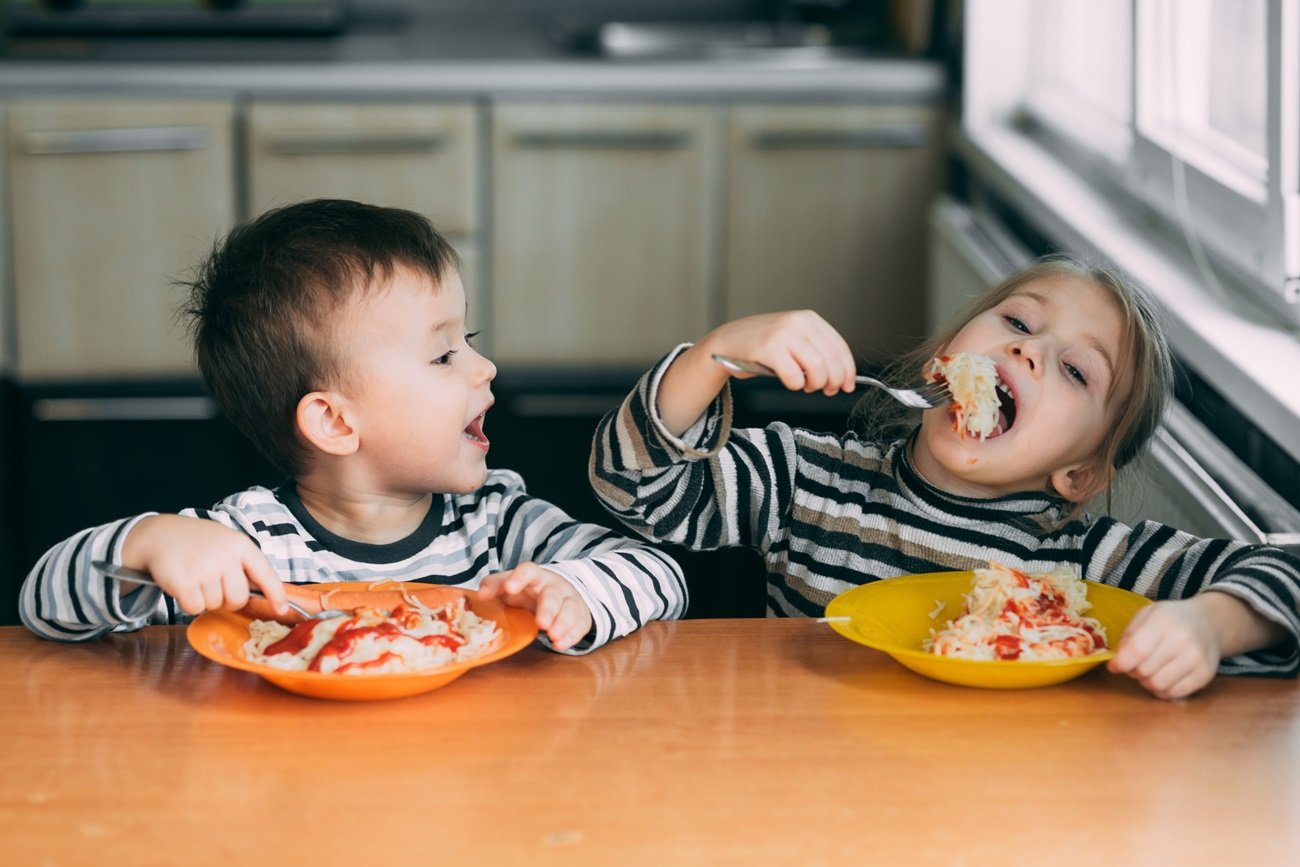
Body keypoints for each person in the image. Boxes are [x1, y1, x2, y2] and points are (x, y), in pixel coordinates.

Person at [590, 254, 1300, 698]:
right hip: (807, 785)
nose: (1026, 348)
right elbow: (632, 482)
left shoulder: (1093, 567)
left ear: (1079, 472)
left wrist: (1208, 624)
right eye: (1018, 320)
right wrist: (716, 354)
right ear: (942, 362)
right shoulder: (806, 480)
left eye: (1076, 370)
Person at [21, 198, 685, 653]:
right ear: (336, 421)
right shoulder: (245, 549)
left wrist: (578, 590)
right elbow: (42, 604)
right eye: (444, 353)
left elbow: (660, 574)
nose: (485, 367)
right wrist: (148, 541)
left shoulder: (495, 520)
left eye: (469, 338)